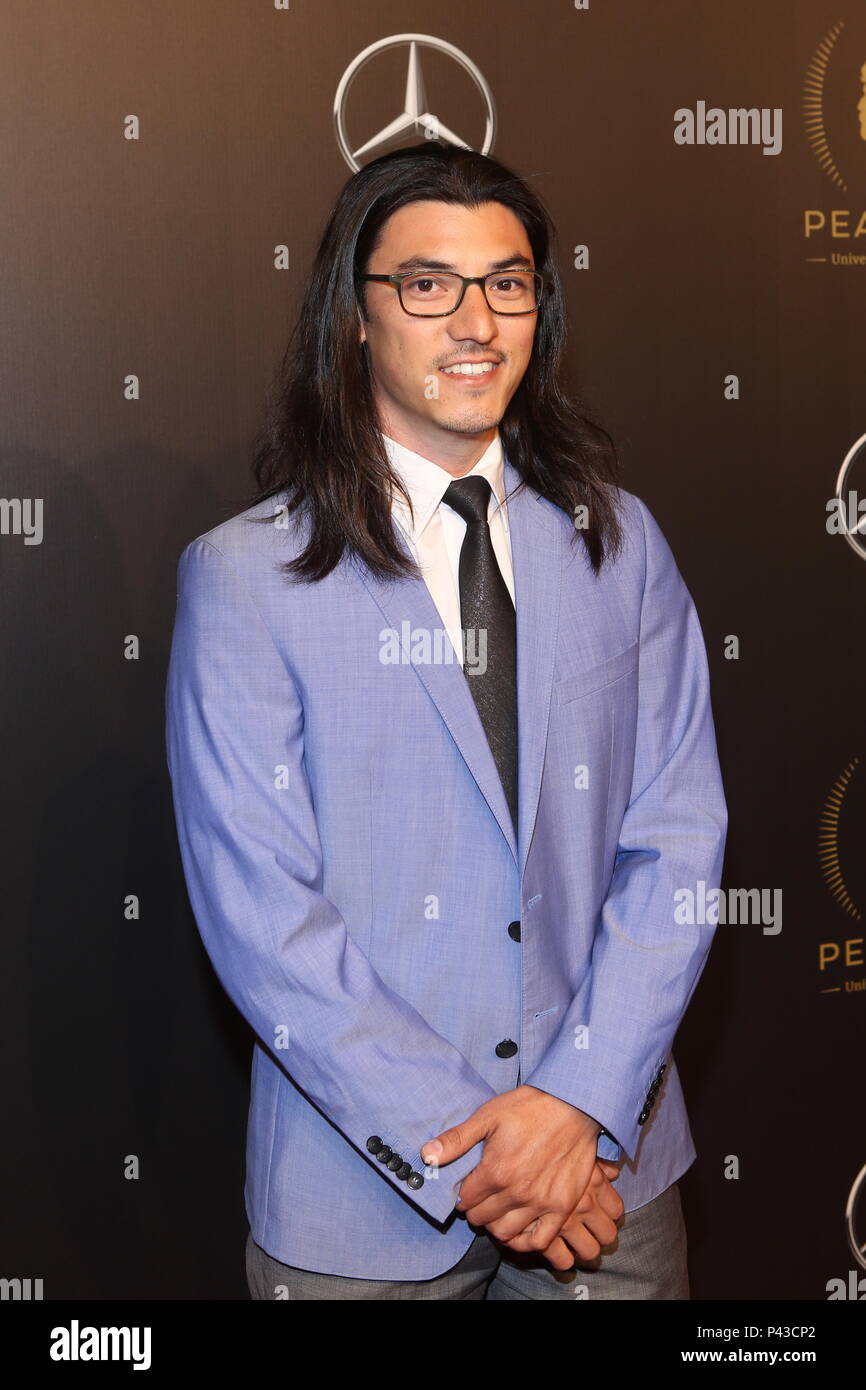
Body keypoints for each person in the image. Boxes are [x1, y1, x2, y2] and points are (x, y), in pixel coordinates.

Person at [165, 142, 727, 1301]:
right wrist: (482, 1151)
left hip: (604, 1179)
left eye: (507, 283)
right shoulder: (246, 577)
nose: (474, 321)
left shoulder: (617, 544)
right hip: (359, 1200)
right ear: (356, 317)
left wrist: (572, 1107)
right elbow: (263, 917)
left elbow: (675, 840)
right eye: (428, 284)